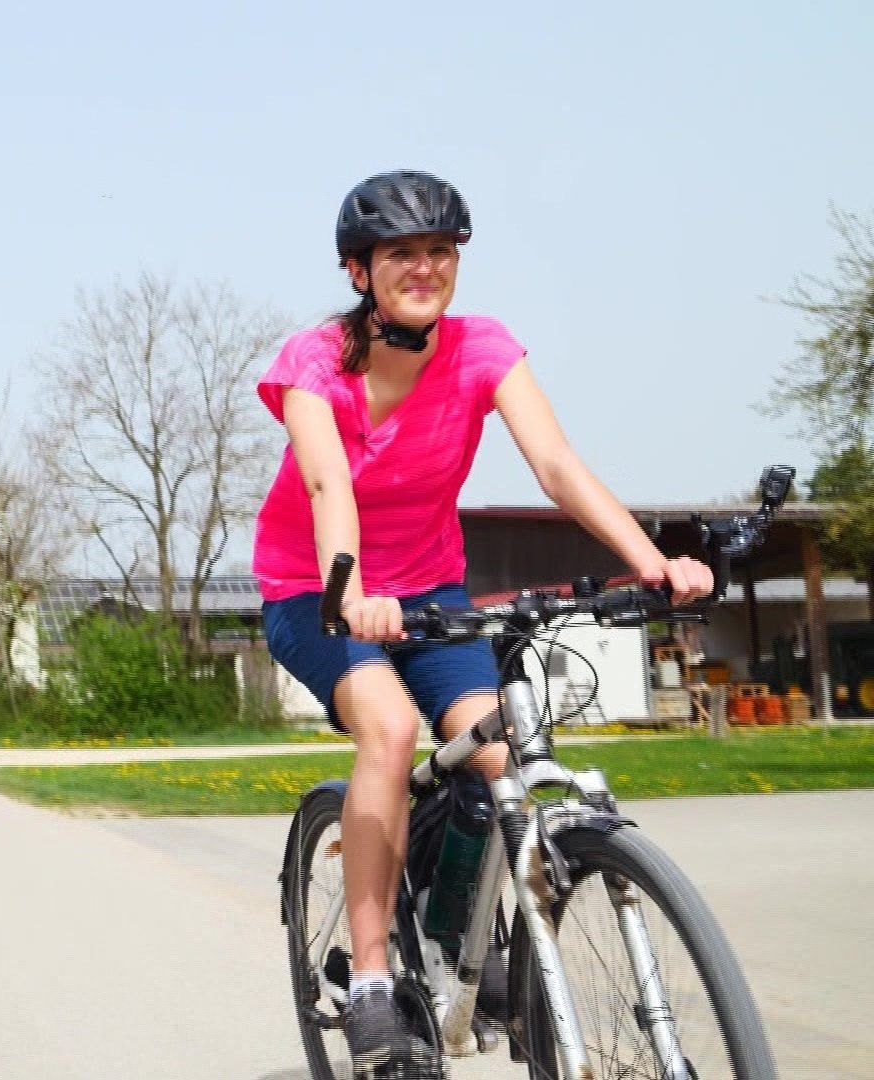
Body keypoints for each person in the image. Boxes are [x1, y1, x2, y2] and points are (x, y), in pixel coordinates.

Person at [252, 170, 712, 1075]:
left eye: (440, 250)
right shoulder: (313, 363)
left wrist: (650, 559)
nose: (424, 267)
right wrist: (347, 590)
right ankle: (376, 979)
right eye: (401, 254)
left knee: (497, 754)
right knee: (386, 729)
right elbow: (325, 487)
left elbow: (556, 464)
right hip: (317, 590)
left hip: (430, 591)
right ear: (359, 272)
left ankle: (475, 943)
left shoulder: (482, 349)